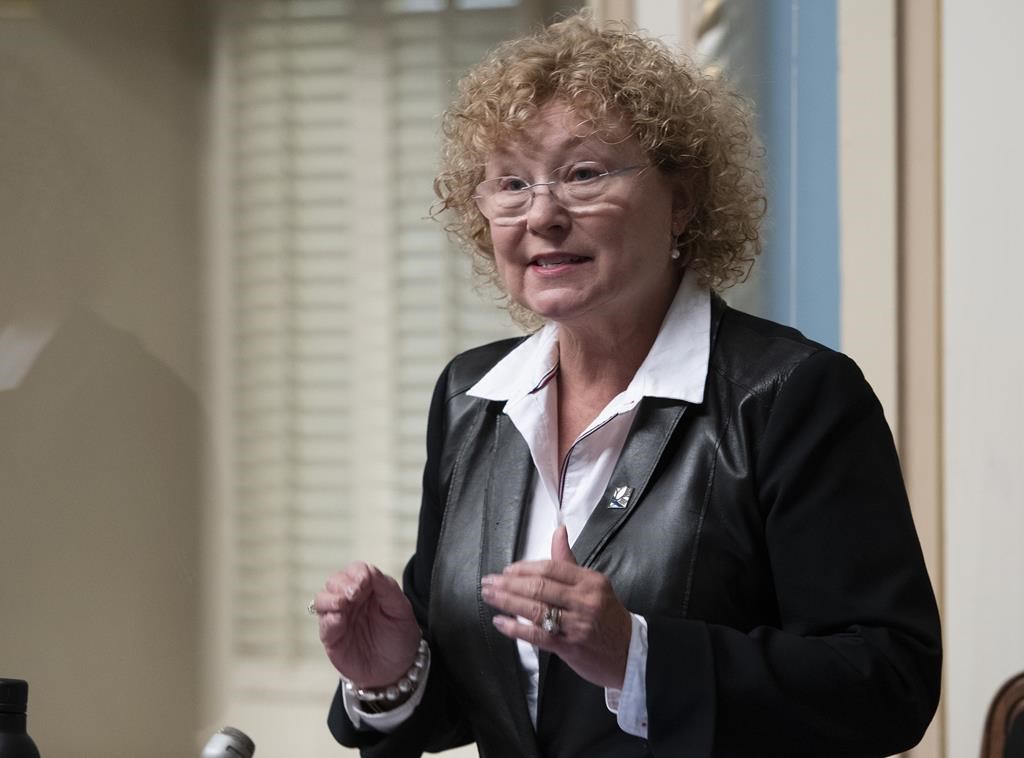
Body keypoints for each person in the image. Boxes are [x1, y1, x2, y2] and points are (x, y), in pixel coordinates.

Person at [311, 14, 941, 758]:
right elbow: (497, 697)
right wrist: (396, 676)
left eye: (583, 174)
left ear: (682, 198)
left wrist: (640, 657)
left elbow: (888, 685)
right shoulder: (470, 397)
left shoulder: (791, 397)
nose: (541, 215)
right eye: (510, 184)